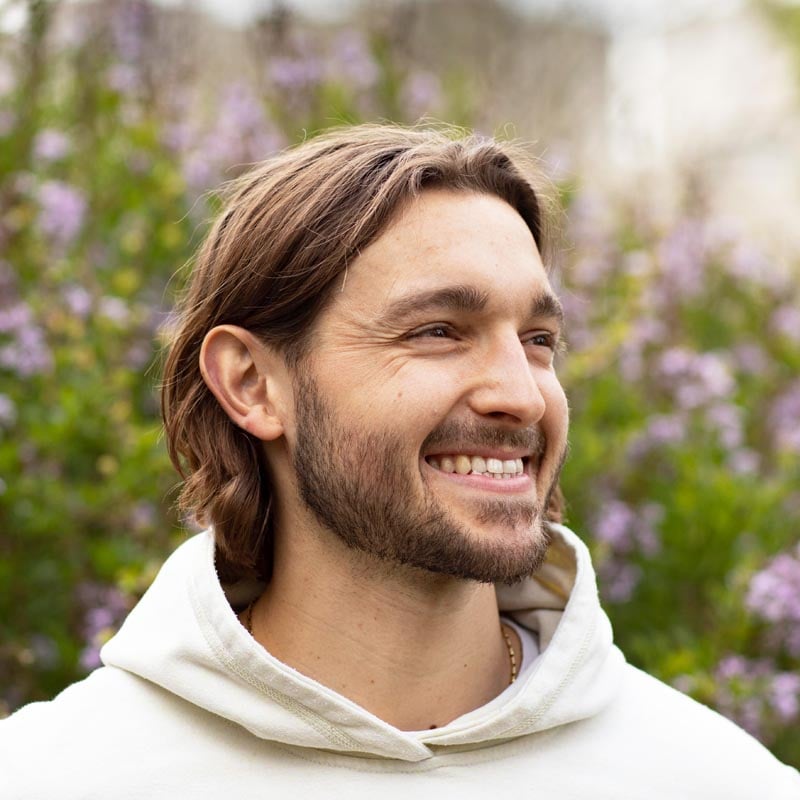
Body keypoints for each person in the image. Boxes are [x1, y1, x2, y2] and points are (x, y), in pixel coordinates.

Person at [2, 124, 798, 798]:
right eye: (439, 330)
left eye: (539, 340)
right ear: (253, 385)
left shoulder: (717, 782)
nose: (522, 396)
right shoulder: (56, 777)